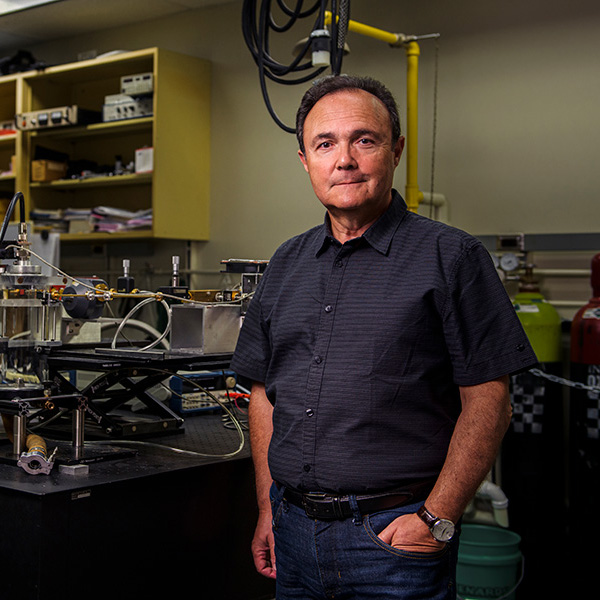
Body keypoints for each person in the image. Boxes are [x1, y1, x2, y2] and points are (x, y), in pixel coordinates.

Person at [231, 74, 537, 599]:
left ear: (396, 150)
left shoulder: (452, 258)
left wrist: (436, 519)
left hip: (392, 542)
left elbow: (490, 399)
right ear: (305, 161)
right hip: (292, 532)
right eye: (324, 144)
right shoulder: (285, 262)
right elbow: (263, 392)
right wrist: (266, 507)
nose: (343, 159)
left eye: (363, 140)